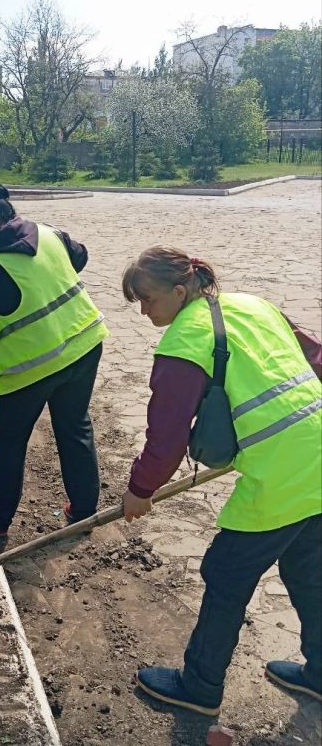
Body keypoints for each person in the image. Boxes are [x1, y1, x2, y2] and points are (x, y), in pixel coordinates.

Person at [120, 246, 322, 715]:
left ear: (179, 290)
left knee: (226, 575)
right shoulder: (251, 304)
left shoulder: (182, 345)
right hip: (317, 452)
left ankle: (200, 686)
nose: (145, 311)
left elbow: (166, 439)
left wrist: (139, 491)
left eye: (148, 299)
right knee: (309, 571)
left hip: (281, 471)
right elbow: (315, 356)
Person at [0, 184, 109, 551]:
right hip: (84, 344)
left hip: (31, 367)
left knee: (10, 444)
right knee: (75, 427)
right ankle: (84, 511)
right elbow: (80, 257)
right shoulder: (49, 233)